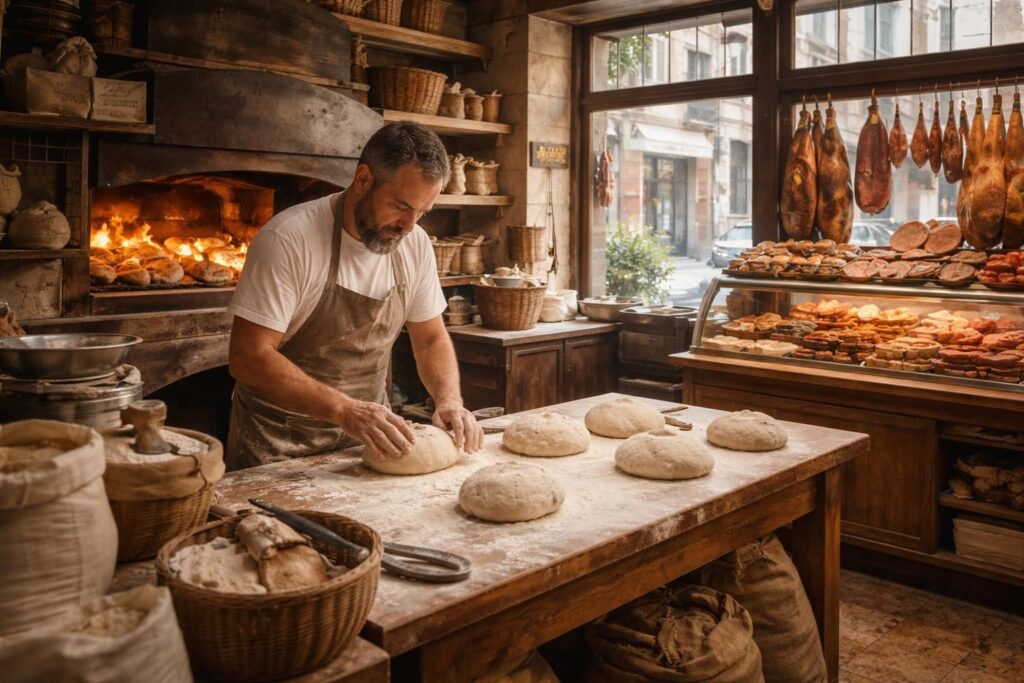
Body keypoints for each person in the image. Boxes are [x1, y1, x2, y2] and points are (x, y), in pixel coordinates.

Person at [225, 121, 482, 470]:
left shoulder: (415, 244)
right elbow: (248, 356)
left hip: (369, 443)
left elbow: (431, 337)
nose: (409, 226)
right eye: (401, 206)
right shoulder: (289, 239)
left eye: (422, 213)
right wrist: (344, 410)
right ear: (363, 179)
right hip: (277, 447)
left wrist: (449, 399)